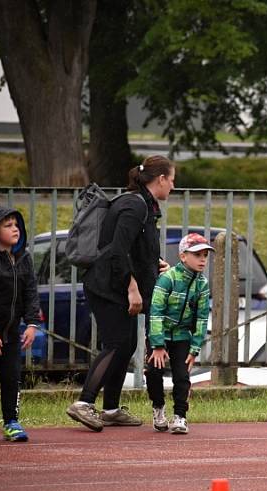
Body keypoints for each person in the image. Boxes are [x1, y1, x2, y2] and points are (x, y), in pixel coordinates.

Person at [66, 155, 175, 432]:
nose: (173, 187)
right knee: (116, 343)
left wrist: (155, 263)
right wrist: (133, 287)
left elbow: (137, 248)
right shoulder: (133, 205)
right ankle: (83, 403)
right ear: (160, 179)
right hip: (108, 286)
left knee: (127, 345)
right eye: (172, 180)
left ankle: (111, 409)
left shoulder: (144, 206)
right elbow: (117, 250)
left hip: (116, 286)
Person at [146, 233, 213, 435]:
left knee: (182, 376)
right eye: (197, 255)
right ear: (183, 256)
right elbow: (155, 312)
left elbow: (202, 318)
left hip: (182, 336)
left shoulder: (202, 284)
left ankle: (180, 417)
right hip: (161, 334)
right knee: (153, 372)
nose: (202, 260)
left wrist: (194, 348)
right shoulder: (167, 279)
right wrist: (157, 345)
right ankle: (158, 409)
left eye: (205, 255)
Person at [0, 207, 41, 442]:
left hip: (11, 333)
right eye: (8, 225)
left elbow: (31, 292)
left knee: (12, 377)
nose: (15, 229)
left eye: (16, 225)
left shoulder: (23, 257)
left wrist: (32, 323)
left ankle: (11, 422)